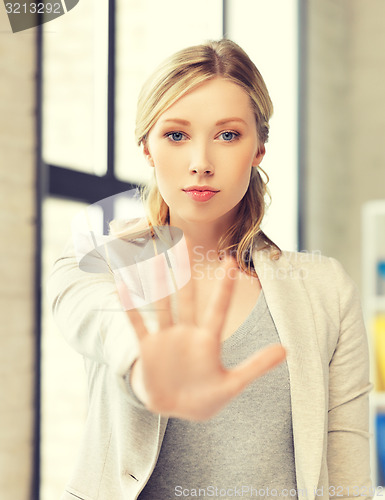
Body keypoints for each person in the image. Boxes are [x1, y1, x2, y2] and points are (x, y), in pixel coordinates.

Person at [47, 39, 373, 500]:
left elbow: (348, 477)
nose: (201, 163)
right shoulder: (101, 256)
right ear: (147, 148)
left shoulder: (325, 288)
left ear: (259, 148)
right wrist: (148, 364)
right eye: (176, 135)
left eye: (227, 135)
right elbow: (95, 315)